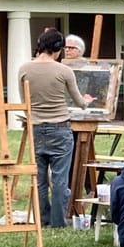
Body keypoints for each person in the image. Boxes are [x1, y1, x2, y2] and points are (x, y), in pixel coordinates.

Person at [20, 29, 93, 227]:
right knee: (60, 178)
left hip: (35, 128)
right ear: (57, 49)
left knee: (40, 178)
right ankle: (58, 221)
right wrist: (86, 101)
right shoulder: (64, 70)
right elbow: (79, 102)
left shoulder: (24, 69)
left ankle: (43, 219)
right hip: (60, 128)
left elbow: (24, 101)